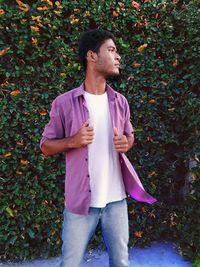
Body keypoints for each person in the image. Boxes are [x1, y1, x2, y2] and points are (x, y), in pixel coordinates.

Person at [40, 29, 157, 267]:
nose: (118, 56)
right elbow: (45, 147)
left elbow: (129, 136)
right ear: (92, 56)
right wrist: (73, 141)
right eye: (112, 50)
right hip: (80, 203)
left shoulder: (120, 101)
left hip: (116, 200)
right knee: (70, 263)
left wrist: (127, 143)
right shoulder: (64, 103)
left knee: (121, 263)